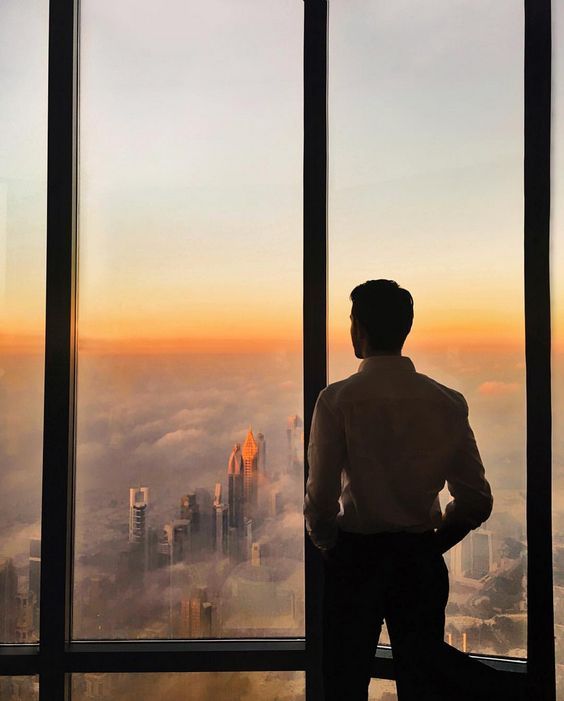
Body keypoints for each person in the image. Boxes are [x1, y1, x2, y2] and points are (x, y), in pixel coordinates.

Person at [303, 279, 526, 701]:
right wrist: (430, 544)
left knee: (343, 683)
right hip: (418, 564)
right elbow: (476, 499)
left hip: (355, 562)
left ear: (359, 329)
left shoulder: (336, 401)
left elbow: (319, 500)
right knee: (422, 683)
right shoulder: (447, 401)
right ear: (405, 329)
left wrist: (331, 546)